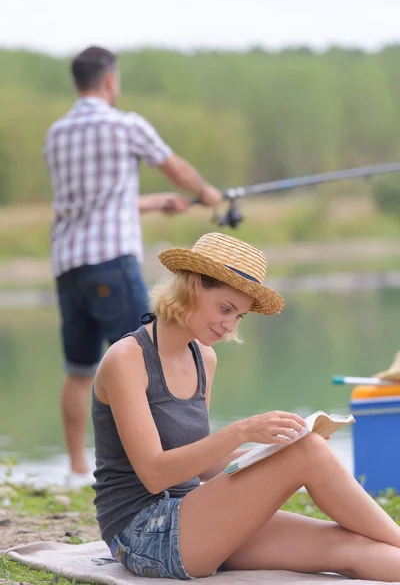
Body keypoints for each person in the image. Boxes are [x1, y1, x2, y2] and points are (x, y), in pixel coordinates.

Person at [92, 232, 400, 582]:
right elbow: (155, 475)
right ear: (192, 287)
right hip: (144, 531)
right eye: (225, 308)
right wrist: (241, 431)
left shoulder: (203, 358)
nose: (229, 325)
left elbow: (203, 467)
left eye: (238, 316)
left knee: (349, 546)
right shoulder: (127, 359)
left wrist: (269, 451)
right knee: (308, 451)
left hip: (197, 516)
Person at [44, 46, 221, 485]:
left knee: (79, 370)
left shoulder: (57, 133)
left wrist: (157, 203)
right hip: (112, 262)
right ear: (110, 81)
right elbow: (176, 169)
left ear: (76, 83)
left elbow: (92, 201)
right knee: (147, 359)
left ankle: (76, 469)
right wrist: (208, 192)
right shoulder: (126, 125)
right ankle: (157, 463)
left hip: (68, 265)